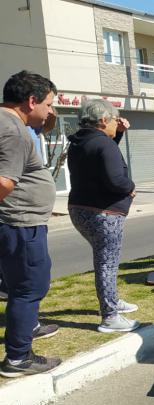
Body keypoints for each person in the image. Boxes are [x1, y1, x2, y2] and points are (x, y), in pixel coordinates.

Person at [0, 70, 61, 377]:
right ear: (31, 100)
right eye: (48, 104)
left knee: (18, 288)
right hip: (21, 224)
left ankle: (23, 337)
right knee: (30, 287)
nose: (51, 111)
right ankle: (18, 358)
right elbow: (5, 182)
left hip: (16, 223)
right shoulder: (13, 130)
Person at [67, 99, 141, 333]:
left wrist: (116, 135)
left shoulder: (80, 141)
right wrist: (130, 186)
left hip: (80, 209)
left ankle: (112, 300)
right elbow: (116, 179)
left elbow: (101, 160)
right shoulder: (103, 144)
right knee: (107, 263)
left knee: (104, 260)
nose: (116, 123)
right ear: (103, 120)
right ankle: (110, 316)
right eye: (114, 119)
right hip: (103, 213)